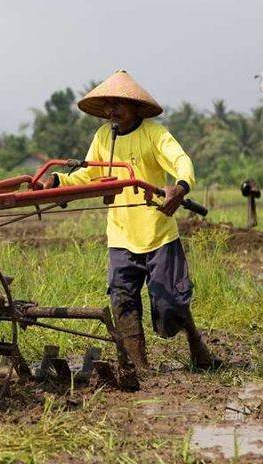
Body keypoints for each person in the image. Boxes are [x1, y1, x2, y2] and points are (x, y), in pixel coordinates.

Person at [41, 69, 217, 371]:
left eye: (118, 104)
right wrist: (57, 180)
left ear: (136, 106)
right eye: (108, 105)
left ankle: (195, 342)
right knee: (122, 301)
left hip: (157, 235)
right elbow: (89, 175)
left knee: (170, 307)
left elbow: (181, 161)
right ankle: (140, 368)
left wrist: (180, 186)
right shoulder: (102, 137)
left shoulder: (154, 133)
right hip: (121, 236)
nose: (111, 111)